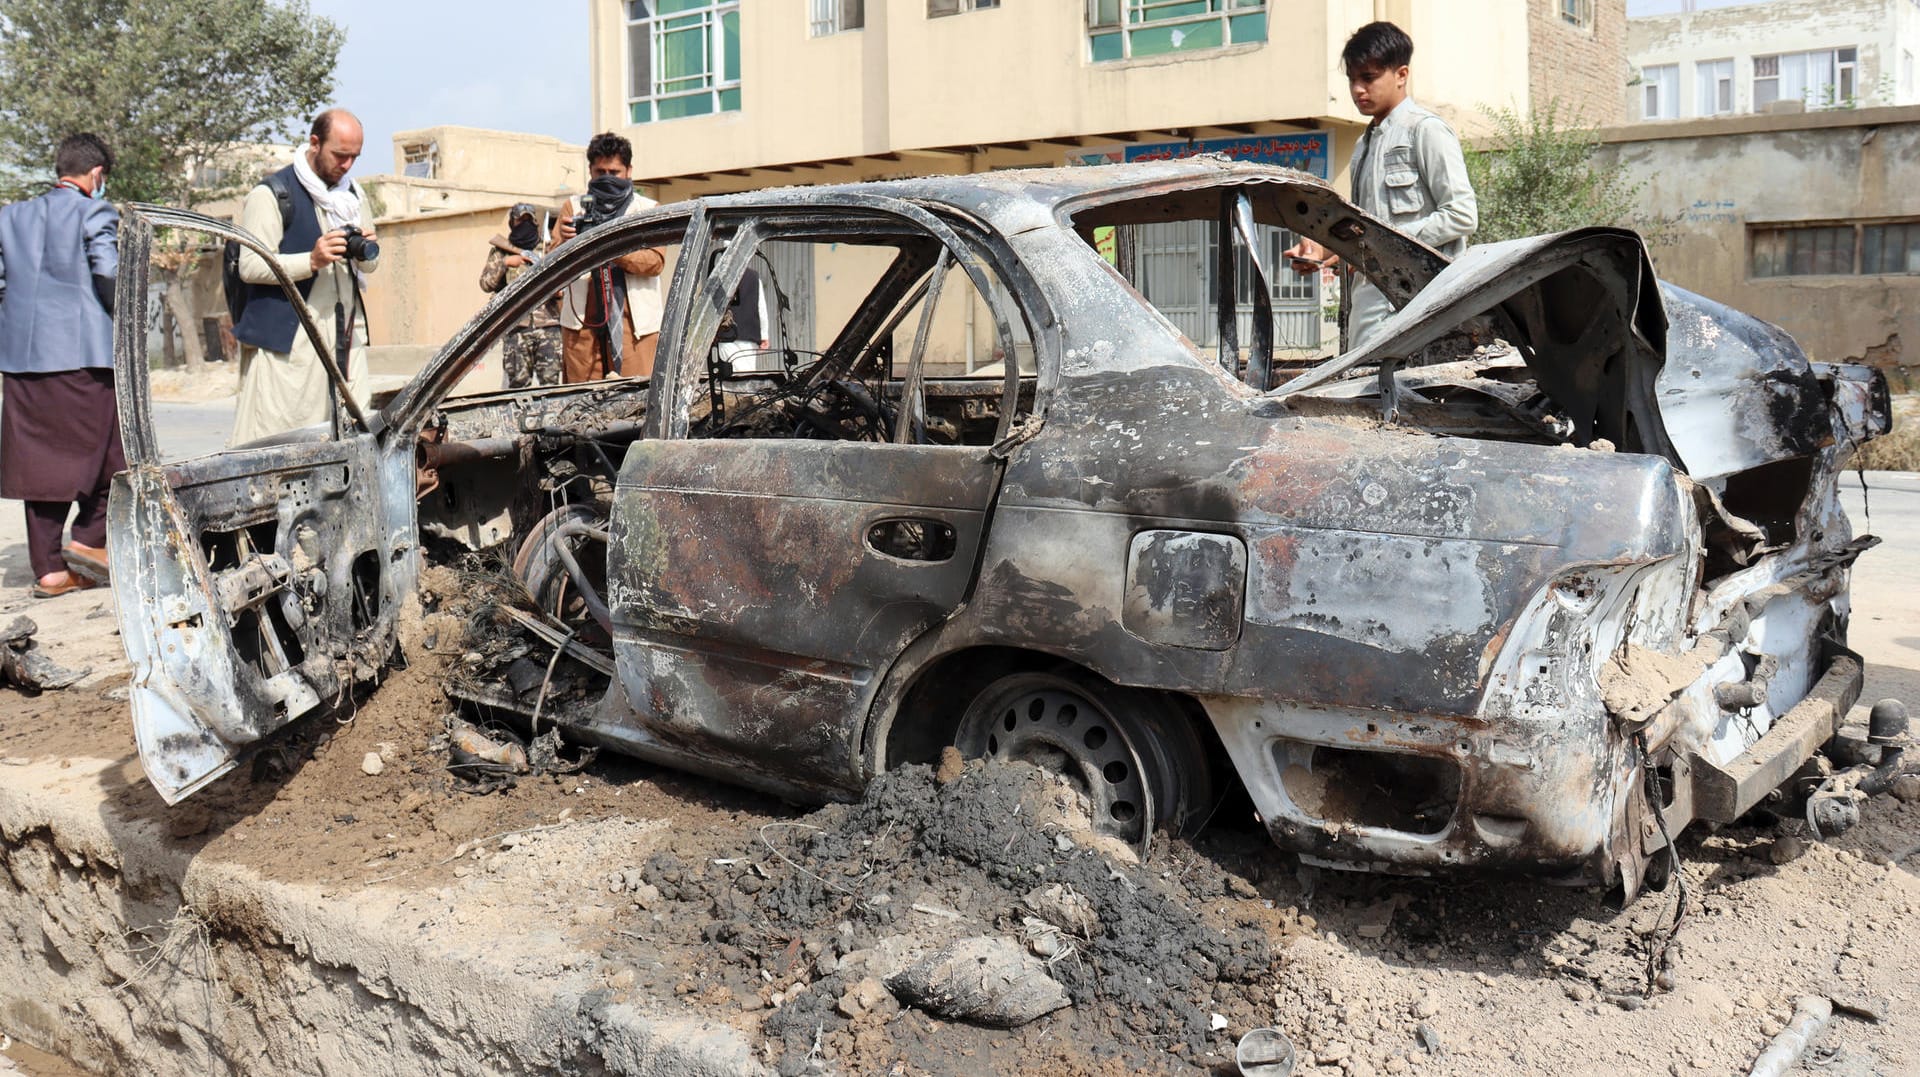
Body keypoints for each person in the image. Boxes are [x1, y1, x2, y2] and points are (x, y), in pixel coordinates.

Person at [1286, 21, 1476, 352]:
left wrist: (1386, 243)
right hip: (1370, 302)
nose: (1358, 89)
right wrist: (1322, 251)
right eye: (1352, 79)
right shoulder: (1364, 145)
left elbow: (1461, 215)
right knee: (1369, 396)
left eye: (1369, 78)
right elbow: (1363, 229)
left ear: (1401, 75)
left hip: (1420, 305)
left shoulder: (1426, 131)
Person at [0, 133, 123, 598]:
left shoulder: (10, 216)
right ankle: (90, 541)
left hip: (22, 359)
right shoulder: (96, 210)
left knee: (41, 465)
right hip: (81, 356)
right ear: (96, 175)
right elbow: (108, 273)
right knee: (113, 454)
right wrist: (121, 324)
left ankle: (50, 570)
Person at [230, 108, 379, 444]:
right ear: (315, 143)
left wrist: (368, 250)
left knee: (353, 443)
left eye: (354, 157)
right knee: (283, 446)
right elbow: (250, 266)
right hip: (291, 349)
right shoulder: (272, 195)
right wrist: (310, 260)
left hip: (345, 341)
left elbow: (368, 268)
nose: (347, 166)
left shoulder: (352, 197)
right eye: (340, 155)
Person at [551, 132, 666, 382]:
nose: (607, 179)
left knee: (636, 403)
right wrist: (566, 241)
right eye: (600, 173)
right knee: (580, 405)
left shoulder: (647, 210)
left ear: (629, 171)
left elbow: (655, 262)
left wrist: (609, 247)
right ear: (590, 171)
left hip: (635, 327)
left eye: (614, 173)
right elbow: (550, 268)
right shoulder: (574, 207)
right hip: (583, 325)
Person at [479, 203, 562, 388]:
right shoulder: (501, 251)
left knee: (551, 385)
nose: (524, 224)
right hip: (516, 327)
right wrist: (506, 263)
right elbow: (486, 284)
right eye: (519, 220)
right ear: (511, 222)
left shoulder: (547, 250)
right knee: (517, 386)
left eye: (528, 220)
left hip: (548, 327)